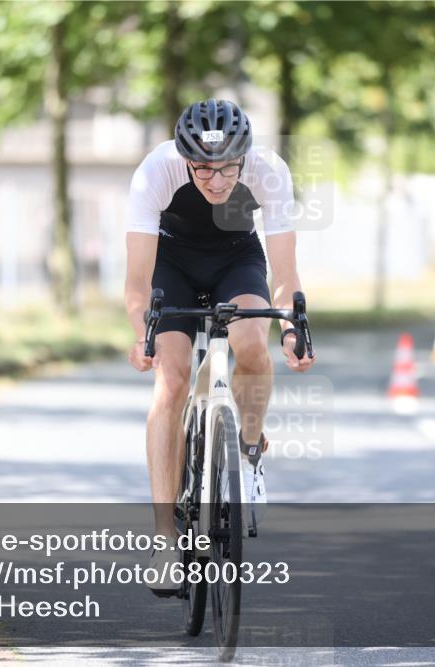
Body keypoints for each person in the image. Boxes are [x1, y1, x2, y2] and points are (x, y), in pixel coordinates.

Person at [123, 99, 315, 594]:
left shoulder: (268, 170)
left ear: (244, 156)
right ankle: (166, 539)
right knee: (172, 381)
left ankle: (250, 453)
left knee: (252, 340)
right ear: (184, 160)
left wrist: (292, 328)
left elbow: (285, 274)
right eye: (202, 169)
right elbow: (138, 283)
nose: (214, 180)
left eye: (226, 168)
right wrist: (139, 333)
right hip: (174, 265)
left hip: (236, 260)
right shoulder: (156, 172)